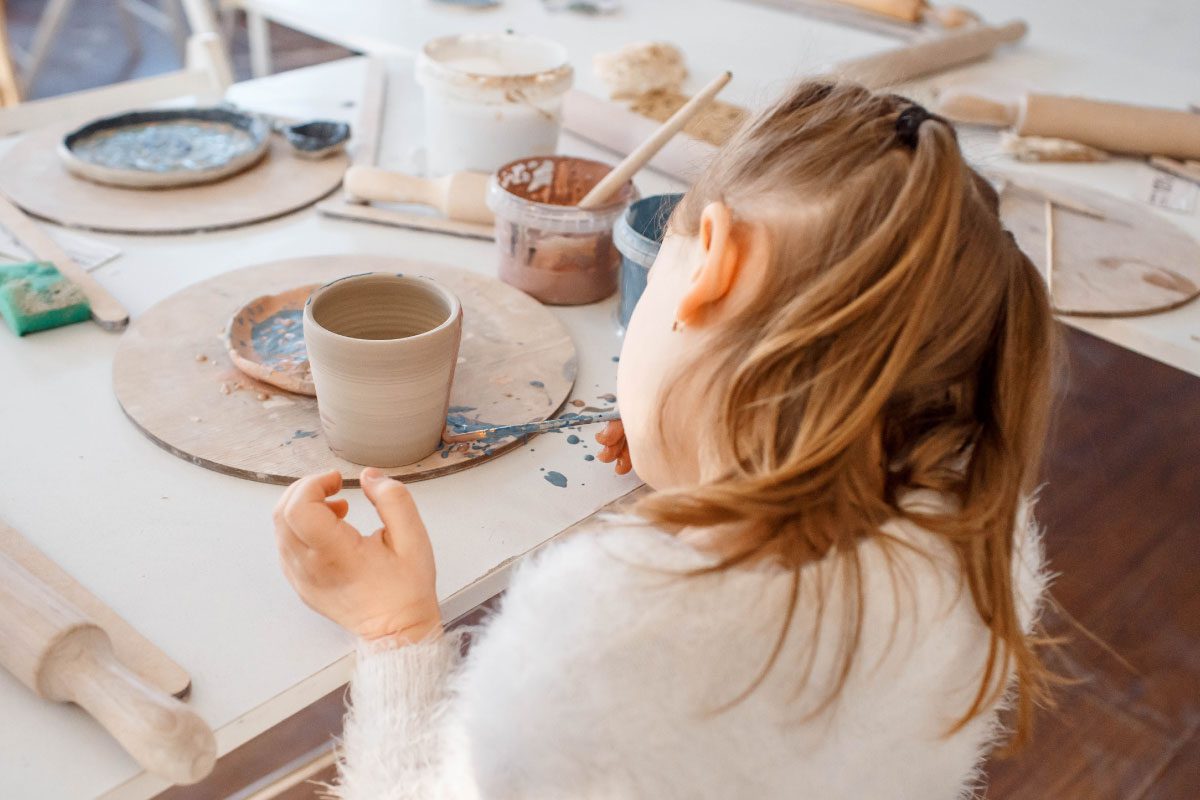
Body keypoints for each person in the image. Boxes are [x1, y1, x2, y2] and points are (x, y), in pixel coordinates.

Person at [273, 80, 1057, 799]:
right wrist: (702, 457)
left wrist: (396, 632)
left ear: (713, 262)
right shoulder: (983, 534)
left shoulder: (604, 634)